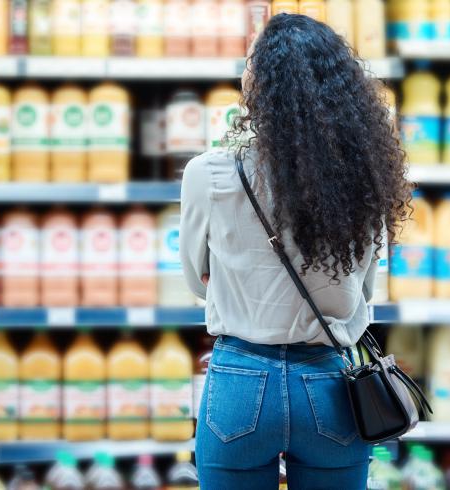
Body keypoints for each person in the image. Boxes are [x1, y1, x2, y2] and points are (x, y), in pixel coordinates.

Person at [180, 13, 410, 490]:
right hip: (329, 386)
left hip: (240, 382)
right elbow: (364, 292)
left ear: (257, 83)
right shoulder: (363, 178)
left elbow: (194, 281)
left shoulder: (208, 173)